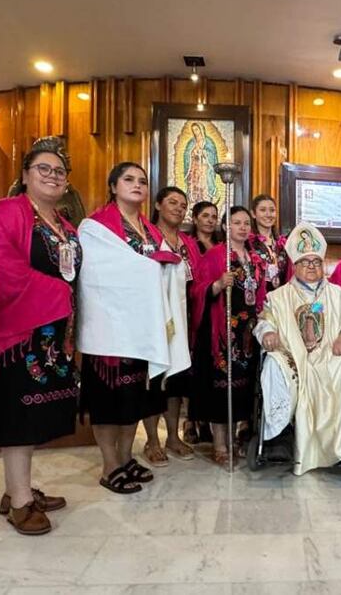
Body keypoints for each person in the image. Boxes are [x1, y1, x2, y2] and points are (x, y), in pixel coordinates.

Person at [0, 137, 80, 535]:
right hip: (19, 331)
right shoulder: (7, 212)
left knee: (35, 416)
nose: (53, 176)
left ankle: (16, 488)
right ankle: (19, 502)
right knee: (18, 416)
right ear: (24, 175)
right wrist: (62, 294)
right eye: (44, 169)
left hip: (54, 333)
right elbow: (0, 268)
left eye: (59, 171)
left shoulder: (64, 224)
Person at [75, 162, 190, 494]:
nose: (137, 185)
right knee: (109, 404)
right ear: (113, 186)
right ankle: (109, 465)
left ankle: (125, 459)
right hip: (109, 329)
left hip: (143, 331)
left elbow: (168, 266)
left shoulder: (149, 230)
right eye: (128, 179)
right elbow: (100, 271)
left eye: (142, 181)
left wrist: (169, 266)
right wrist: (153, 266)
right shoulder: (95, 227)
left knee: (134, 401)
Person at [255, 222, 341, 475]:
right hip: (293, 357)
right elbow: (264, 319)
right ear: (295, 265)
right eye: (305, 262)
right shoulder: (278, 297)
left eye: (316, 262)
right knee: (273, 364)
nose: (312, 267)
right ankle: (280, 438)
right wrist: (267, 332)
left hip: (330, 359)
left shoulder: (339, 295)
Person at [189, 206, 267, 467]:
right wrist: (218, 284)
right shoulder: (215, 256)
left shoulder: (255, 259)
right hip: (220, 333)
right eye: (236, 222)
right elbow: (197, 291)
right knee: (221, 388)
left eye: (246, 222)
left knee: (242, 389)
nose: (243, 227)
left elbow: (261, 294)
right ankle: (220, 444)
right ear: (226, 226)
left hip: (247, 333)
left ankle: (235, 439)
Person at [140, 186, 200, 465]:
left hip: (184, 320)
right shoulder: (146, 236)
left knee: (176, 382)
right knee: (154, 381)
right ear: (158, 205)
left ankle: (173, 436)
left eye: (182, 204)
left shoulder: (187, 243)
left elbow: (196, 281)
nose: (178, 208)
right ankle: (152, 440)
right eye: (172, 202)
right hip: (153, 318)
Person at [183, 200, 219, 445]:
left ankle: (209, 420)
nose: (209, 220)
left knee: (210, 368)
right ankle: (191, 421)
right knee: (191, 367)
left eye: (214, 216)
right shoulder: (189, 245)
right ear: (195, 219)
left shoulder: (221, 246)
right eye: (205, 215)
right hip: (193, 306)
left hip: (217, 309)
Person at [249, 194, 289, 292]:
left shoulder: (284, 244)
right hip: (257, 299)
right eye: (263, 210)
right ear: (253, 214)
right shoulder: (248, 243)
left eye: (272, 210)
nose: (268, 214)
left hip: (280, 299)